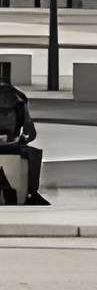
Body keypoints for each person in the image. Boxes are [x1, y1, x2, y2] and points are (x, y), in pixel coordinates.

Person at [0, 73, 45, 207]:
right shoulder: (19, 98)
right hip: (12, 145)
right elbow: (31, 133)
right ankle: (31, 193)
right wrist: (21, 140)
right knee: (32, 155)